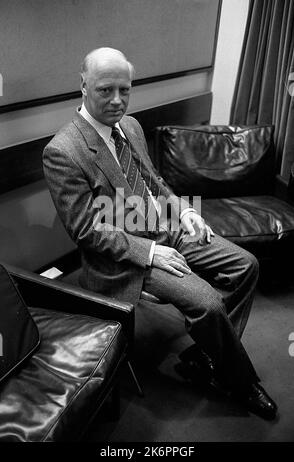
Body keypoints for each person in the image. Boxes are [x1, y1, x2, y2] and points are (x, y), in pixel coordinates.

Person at [43, 47, 277, 420]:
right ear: (83, 86)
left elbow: (154, 181)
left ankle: (205, 354)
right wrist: (151, 253)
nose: (118, 100)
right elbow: (86, 229)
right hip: (127, 255)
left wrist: (183, 210)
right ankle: (238, 381)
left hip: (165, 227)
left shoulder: (131, 126)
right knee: (209, 303)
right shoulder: (63, 151)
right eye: (106, 90)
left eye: (125, 89)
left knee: (245, 264)